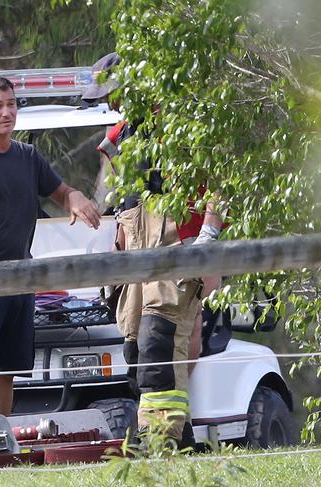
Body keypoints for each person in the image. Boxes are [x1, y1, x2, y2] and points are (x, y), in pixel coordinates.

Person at [84, 53, 224, 447]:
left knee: (159, 340)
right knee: (136, 349)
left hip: (176, 244)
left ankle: (159, 440)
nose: (110, 103)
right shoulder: (117, 137)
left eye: (114, 93)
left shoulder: (181, 124)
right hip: (133, 252)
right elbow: (114, 203)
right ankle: (180, 437)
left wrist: (209, 239)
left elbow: (219, 179)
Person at [0, 76, 101, 416]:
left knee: (6, 371)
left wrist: (76, 198)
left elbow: (62, 191)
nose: (6, 112)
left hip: (21, 281)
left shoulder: (27, 156)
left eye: (11, 104)